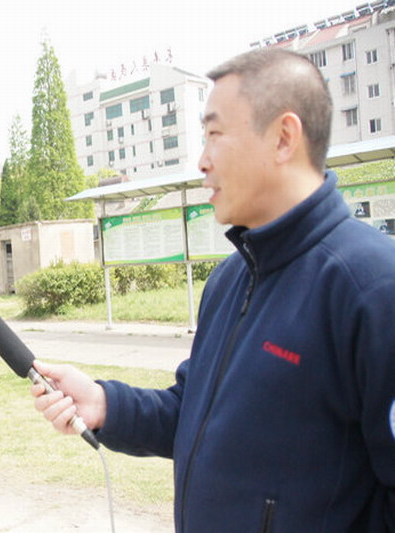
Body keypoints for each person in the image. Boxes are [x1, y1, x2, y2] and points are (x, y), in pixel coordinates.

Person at [32, 48, 395, 532]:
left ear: (283, 138)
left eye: (215, 136)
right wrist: (104, 404)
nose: (202, 161)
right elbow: (193, 413)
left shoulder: (373, 288)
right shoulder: (229, 281)